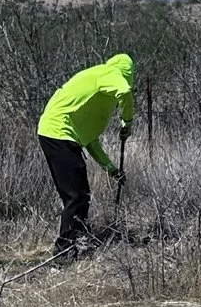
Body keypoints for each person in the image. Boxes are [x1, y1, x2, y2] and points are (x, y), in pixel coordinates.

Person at [36, 53, 135, 258]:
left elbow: (90, 140)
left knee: (80, 195)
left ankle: (80, 238)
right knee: (76, 196)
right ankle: (64, 251)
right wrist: (127, 122)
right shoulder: (109, 73)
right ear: (128, 73)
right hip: (59, 133)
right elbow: (125, 91)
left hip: (56, 134)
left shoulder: (98, 94)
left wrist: (111, 169)